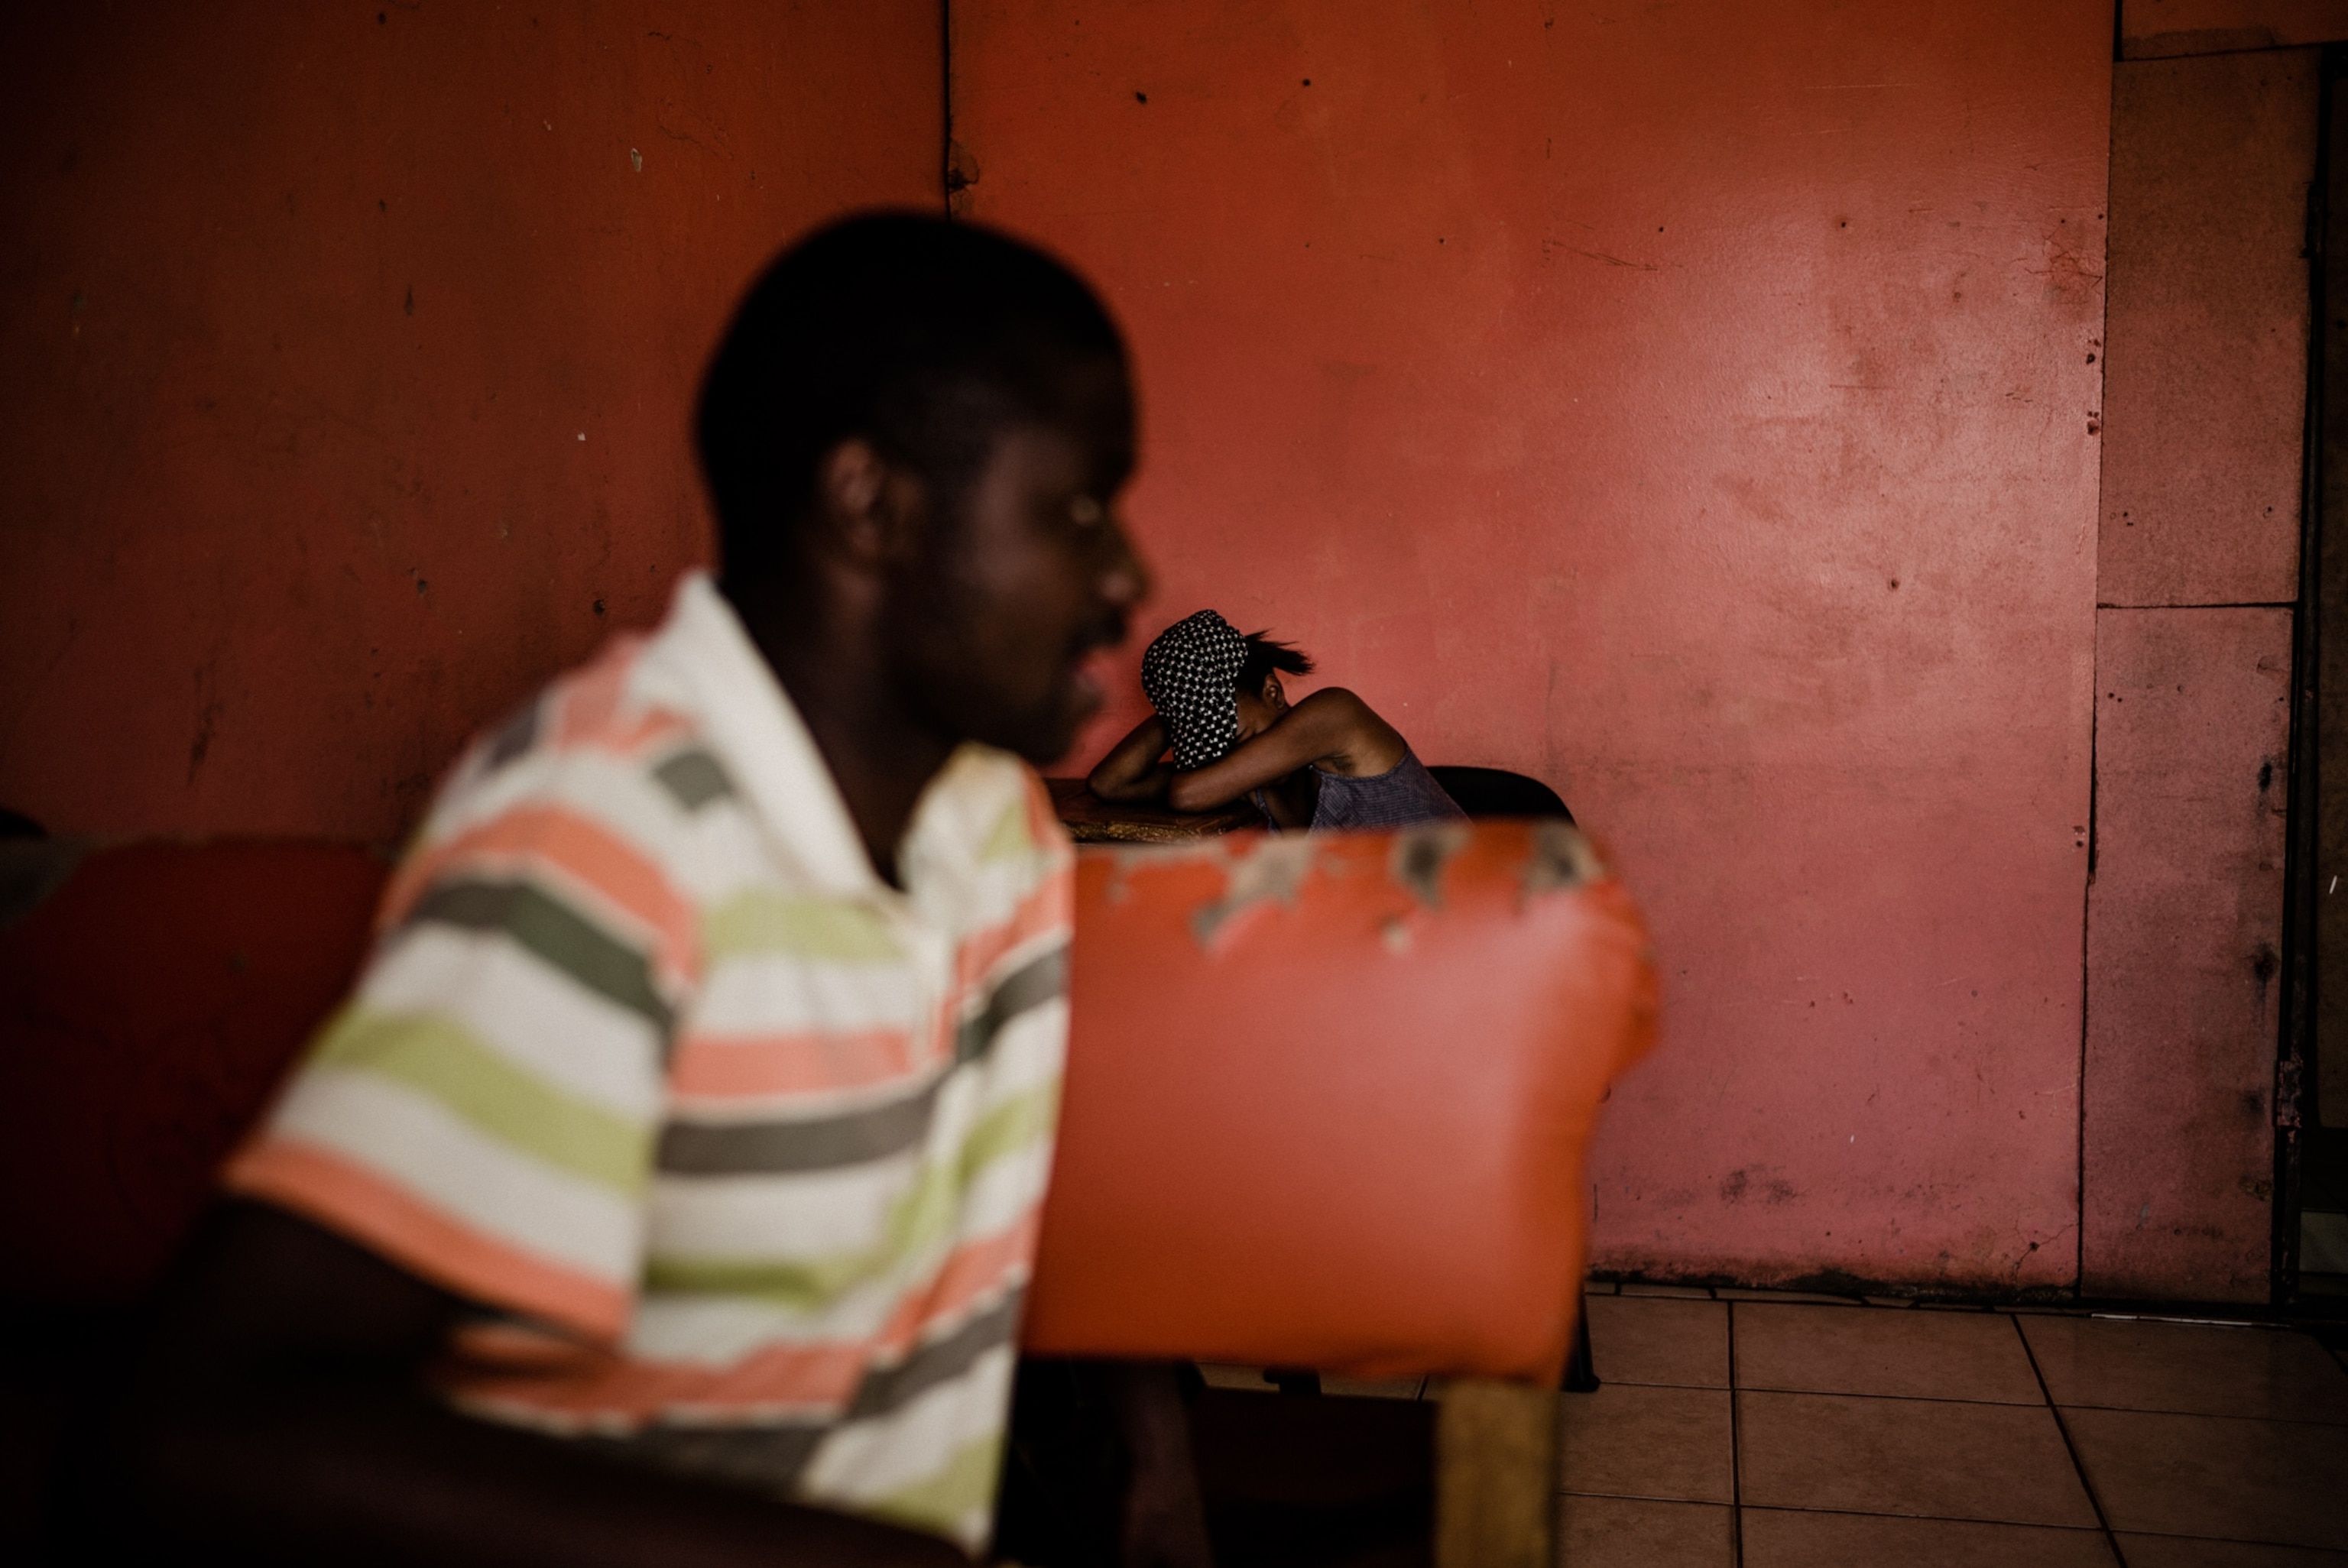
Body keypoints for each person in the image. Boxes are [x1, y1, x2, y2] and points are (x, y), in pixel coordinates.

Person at [79, 214, 1211, 1568]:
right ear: (872, 509)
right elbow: (191, 1444)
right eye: (1078, 507)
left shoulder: (993, 831)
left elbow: (993, 1198)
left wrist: (1152, 1459)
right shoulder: (609, 827)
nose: (1127, 578)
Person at [1086, 610, 1463, 831]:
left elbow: (1186, 794)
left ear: (1273, 692)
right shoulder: (1247, 778)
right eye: (1218, 748)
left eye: (1240, 734)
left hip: (1471, 917)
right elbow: (1109, 784)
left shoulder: (1335, 714)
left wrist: (1193, 710)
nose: (1235, 759)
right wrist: (1183, 708)